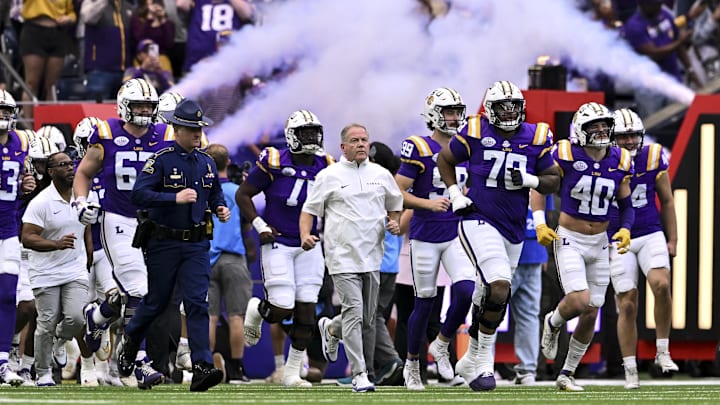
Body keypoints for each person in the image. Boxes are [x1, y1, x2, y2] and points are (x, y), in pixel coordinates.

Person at [436, 80, 560, 391]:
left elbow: (553, 179)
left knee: (490, 295)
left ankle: (469, 361)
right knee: (500, 283)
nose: (508, 113)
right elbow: (445, 159)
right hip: (477, 218)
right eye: (501, 107)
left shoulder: (536, 135)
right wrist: (454, 192)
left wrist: (530, 179)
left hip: (514, 227)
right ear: (490, 110)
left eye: (513, 106)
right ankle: (483, 363)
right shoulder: (477, 130)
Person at [117, 98, 230, 392]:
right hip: (163, 243)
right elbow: (139, 195)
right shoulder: (162, 158)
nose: (197, 134)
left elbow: (214, 192)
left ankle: (202, 366)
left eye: (199, 128)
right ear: (176, 129)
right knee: (156, 302)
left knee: (196, 303)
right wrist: (173, 198)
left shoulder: (206, 162)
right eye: (191, 129)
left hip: (196, 244)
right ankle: (129, 342)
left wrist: (220, 208)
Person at [72, 78, 171, 388]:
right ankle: (136, 362)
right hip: (118, 218)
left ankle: (98, 317)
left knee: (144, 293)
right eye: (139, 105)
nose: (144, 111)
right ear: (124, 106)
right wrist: (80, 201)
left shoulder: (165, 135)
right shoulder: (107, 133)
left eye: (148, 106)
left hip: (154, 222)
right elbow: (83, 173)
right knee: (139, 291)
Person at [537, 102, 635, 392]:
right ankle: (553, 322)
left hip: (600, 241)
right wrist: (540, 222)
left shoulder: (621, 159)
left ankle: (567, 373)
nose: (602, 131)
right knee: (579, 300)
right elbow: (539, 186)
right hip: (570, 237)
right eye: (595, 126)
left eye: (605, 126)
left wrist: (626, 228)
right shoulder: (565, 154)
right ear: (580, 130)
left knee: (593, 309)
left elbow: (626, 203)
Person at [301, 123, 403, 393]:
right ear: (343, 146)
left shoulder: (381, 174)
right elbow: (308, 210)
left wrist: (394, 222)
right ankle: (360, 374)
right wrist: (305, 235)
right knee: (356, 314)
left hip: (372, 257)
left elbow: (396, 205)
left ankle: (333, 329)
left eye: (364, 140)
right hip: (341, 255)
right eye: (355, 140)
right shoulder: (329, 175)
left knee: (368, 319)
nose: (361, 144)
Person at [236, 109, 334, 388]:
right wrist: (260, 224)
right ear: (292, 136)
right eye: (305, 133)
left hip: (310, 244)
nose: (312, 138)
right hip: (278, 241)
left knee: (307, 313)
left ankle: (292, 372)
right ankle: (258, 309)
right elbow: (244, 194)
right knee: (281, 307)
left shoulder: (327, 164)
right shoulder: (275, 160)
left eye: (314, 132)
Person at [394, 87, 475, 390]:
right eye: (448, 112)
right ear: (433, 115)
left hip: (457, 233)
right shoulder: (418, 147)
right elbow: (396, 192)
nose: (455, 117)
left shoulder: (466, 147)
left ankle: (440, 344)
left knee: (467, 291)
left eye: (457, 111)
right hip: (426, 234)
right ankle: (412, 363)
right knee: (424, 303)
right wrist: (427, 204)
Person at [609, 108, 678, 389]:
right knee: (627, 302)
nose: (629, 142)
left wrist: (673, 238)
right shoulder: (603, 161)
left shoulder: (652, 156)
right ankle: (630, 369)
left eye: (633, 136)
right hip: (616, 238)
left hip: (649, 231)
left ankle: (663, 351)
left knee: (661, 285)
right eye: (623, 137)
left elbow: (668, 200)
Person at [21, 151, 92, 387]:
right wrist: (55, 244)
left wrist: (89, 254)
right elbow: (27, 237)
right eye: (63, 165)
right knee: (46, 322)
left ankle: (60, 341)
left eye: (72, 164)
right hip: (46, 272)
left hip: (75, 269)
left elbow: (87, 227)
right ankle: (43, 373)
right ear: (51, 172)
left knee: (76, 317)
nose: (70, 168)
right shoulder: (41, 202)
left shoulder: (82, 197)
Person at [205, 143, 256, 383]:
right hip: (234, 256)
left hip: (206, 256)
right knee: (237, 316)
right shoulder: (238, 191)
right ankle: (237, 369)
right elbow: (247, 225)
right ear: (227, 163)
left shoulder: (203, 191)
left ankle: (204, 364)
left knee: (209, 317)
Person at [0, 89, 36, 387]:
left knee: (9, 296)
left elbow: (20, 184)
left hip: (9, 230)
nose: (2, 116)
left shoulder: (20, 142)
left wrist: (25, 185)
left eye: (5, 111)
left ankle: (2, 361)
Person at [509, 196, 554, 386]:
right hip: (531, 247)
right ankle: (527, 369)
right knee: (529, 314)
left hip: (508, 246)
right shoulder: (541, 170)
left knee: (490, 310)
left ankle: (483, 366)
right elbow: (546, 214)